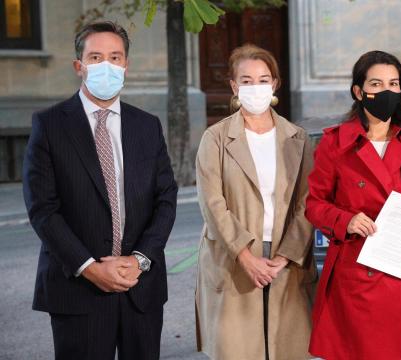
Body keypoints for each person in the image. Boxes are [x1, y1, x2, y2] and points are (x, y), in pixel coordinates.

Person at [22, 21, 177, 359]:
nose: (106, 65)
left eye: (115, 57)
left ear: (125, 66)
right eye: (95, 57)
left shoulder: (147, 126)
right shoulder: (49, 125)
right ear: (79, 66)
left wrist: (140, 260)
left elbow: (165, 199)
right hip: (78, 288)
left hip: (141, 285)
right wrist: (90, 268)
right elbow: (43, 210)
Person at [305, 50, 401, 360]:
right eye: (377, 83)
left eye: (394, 83)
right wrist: (346, 220)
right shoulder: (335, 143)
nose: (387, 91)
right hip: (358, 279)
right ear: (359, 91)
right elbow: (314, 205)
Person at [194, 44, 316, 360]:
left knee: (286, 349)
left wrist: (286, 256)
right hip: (234, 262)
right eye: (246, 80)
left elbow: (308, 202)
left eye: (263, 79)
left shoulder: (298, 138)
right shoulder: (216, 137)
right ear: (234, 86)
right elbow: (212, 203)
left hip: (285, 263)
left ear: (274, 84)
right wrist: (245, 255)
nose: (255, 87)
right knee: (238, 352)